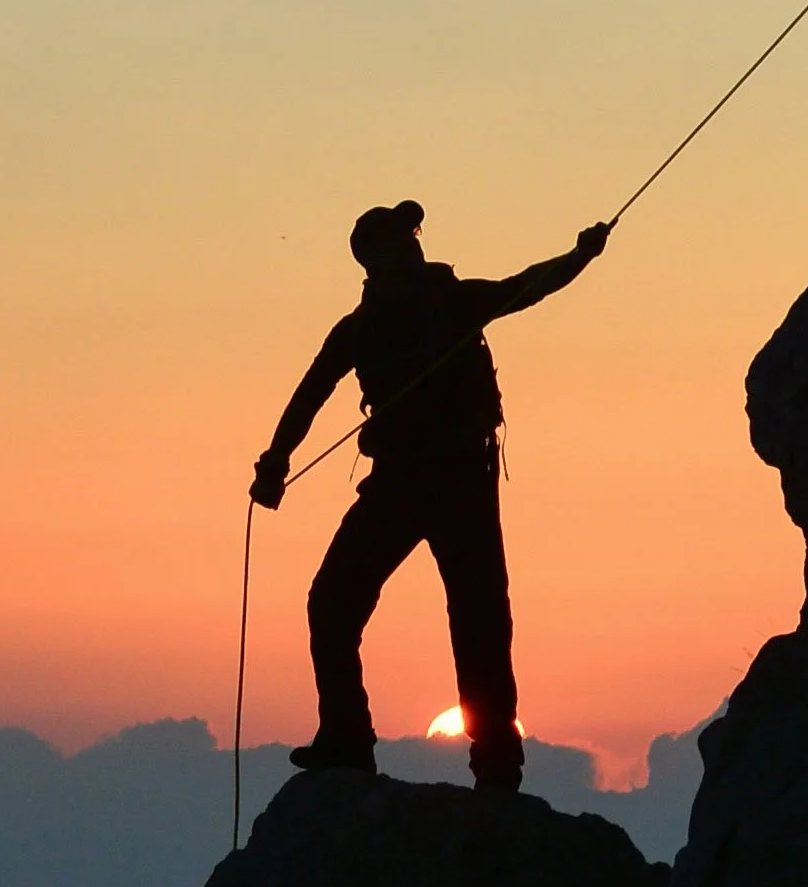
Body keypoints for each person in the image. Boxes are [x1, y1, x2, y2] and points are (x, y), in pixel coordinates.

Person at [251, 200, 610, 790]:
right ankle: (350, 741)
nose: (416, 242)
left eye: (413, 233)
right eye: (403, 236)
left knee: (478, 617)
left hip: (456, 478)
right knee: (338, 603)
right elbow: (309, 393)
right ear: (378, 257)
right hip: (409, 481)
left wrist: (579, 256)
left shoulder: (448, 302)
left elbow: (526, 288)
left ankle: (491, 761)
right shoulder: (373, 326)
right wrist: (275, 461)